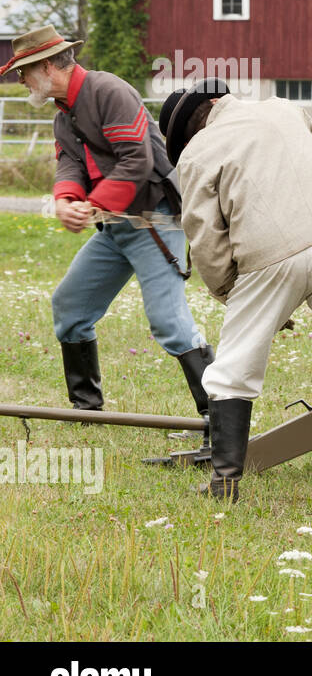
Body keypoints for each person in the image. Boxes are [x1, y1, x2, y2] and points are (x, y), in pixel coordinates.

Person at [161, 79, 312, 508]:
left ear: (188, 133)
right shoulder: (285, 108)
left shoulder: (196, 154)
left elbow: (205, 240)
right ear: (219, 100)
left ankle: (224, 483)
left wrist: (230, 292)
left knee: (233, 371)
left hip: (269, 255)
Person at [1, 26, 212, 419]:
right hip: (115, 227)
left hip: (152, 220)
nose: (21, 81)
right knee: (71, 306)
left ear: (47, 67)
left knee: (170, 322)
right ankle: (87, 408)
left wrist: (91, 204)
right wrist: (66, 198)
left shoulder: (108, 92)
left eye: (24, 72)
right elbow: (69, 163)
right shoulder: (63, 118)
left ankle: (220, 418)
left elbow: (137, 160)